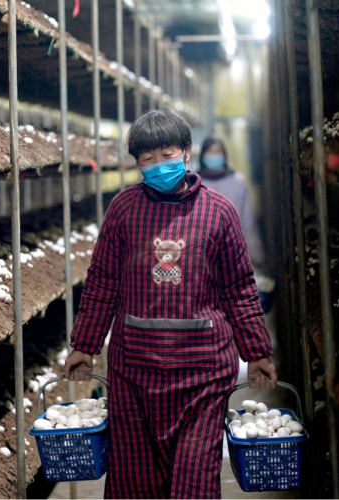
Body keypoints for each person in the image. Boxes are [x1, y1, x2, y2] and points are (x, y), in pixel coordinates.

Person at [63, 109, 276, 500]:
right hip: (135, 372)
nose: (159, 165)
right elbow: (102, 281)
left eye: (167, 154)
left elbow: (239, 286)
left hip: (203, 373)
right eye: (147, 159)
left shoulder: (219, 212)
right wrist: (85, 345)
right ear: (137, 163)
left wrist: (258, 351)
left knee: (193, 483)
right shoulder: (124, 209)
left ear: (187, 151)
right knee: (134, 484)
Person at [199, 136, 264, 270]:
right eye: (210, 152)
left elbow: (247, 220)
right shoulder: (194, 183)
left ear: (224, 155)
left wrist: (255, 255)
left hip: (233, 251)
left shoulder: (237, 181)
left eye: (217, 152)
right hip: (202, 254)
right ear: (202, 155)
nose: (213, 156)